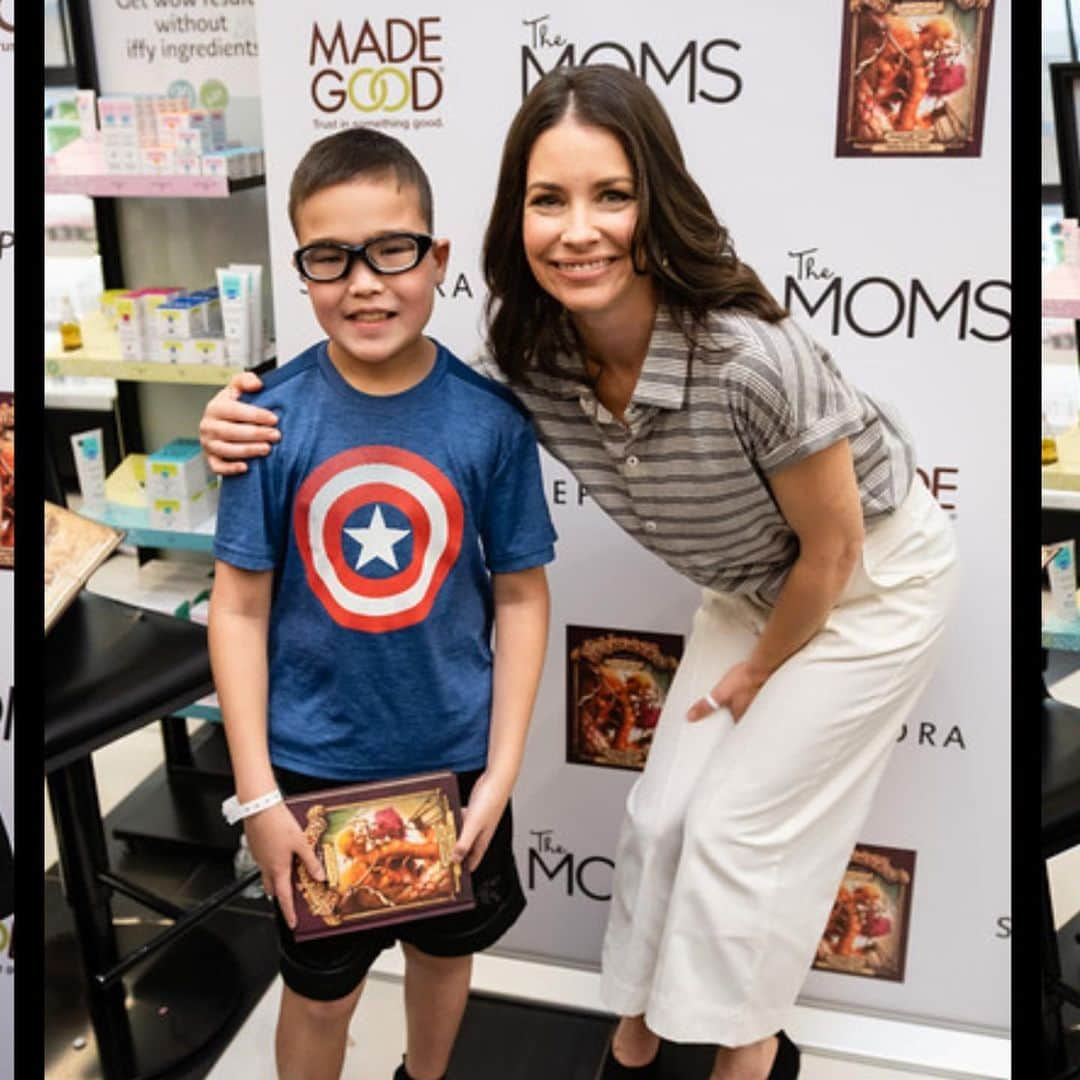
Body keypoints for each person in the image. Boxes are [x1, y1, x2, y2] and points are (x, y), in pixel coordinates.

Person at [200, 66, 956, 1080]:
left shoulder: (754, 357)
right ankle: (637, 1037)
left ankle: (752, 1051)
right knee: (658, 817)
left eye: (611, 194)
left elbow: (837, 552)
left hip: (865, 581)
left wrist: (756, 673)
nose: (578, 229)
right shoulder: (529, 361)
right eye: (548, 199)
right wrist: (224, 414)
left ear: (657, 203)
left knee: (737, 831)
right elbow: (397, 395)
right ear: (515, 219)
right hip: (752, 585)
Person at [207, 127, 556, 1080]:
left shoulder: (489, 422)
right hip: (314, 772)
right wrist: (260, 799)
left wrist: (501, 771)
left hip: (456, 764)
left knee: (446, 956)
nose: (364, 282)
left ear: (437, 258)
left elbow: (523, 596)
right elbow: (234, 611)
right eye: (331, 257)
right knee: (322, 991)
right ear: (301, 269)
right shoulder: (264, 422)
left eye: (391, 250)